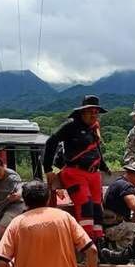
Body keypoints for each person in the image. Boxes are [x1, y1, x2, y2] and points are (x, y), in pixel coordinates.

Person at [43, 95, 111, 240]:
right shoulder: (71, 124)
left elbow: (96, 147)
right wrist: (47, 168)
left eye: (96, 111)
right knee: (86, 207)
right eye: (90, 111)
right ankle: (86, 243)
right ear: (82, 112)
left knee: (97, 208)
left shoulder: (95, 126)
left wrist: (103, 166)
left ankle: (99, 242)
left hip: (94, 174)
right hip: (75, 172)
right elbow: (51, 141)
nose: (93, 114)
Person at [101, 161, 135, 250]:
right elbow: (134, 205)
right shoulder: (126, 185)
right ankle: (113, 248)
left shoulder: (118, 182)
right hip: (114, 229)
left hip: (111, 228)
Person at [0, 157, 25, 239]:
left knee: (1, 230)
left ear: (4, 166)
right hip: (2, 206)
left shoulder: (12, 177)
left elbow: (20, 190)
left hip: (15, 205)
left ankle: (8, 251)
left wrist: (16, 195)